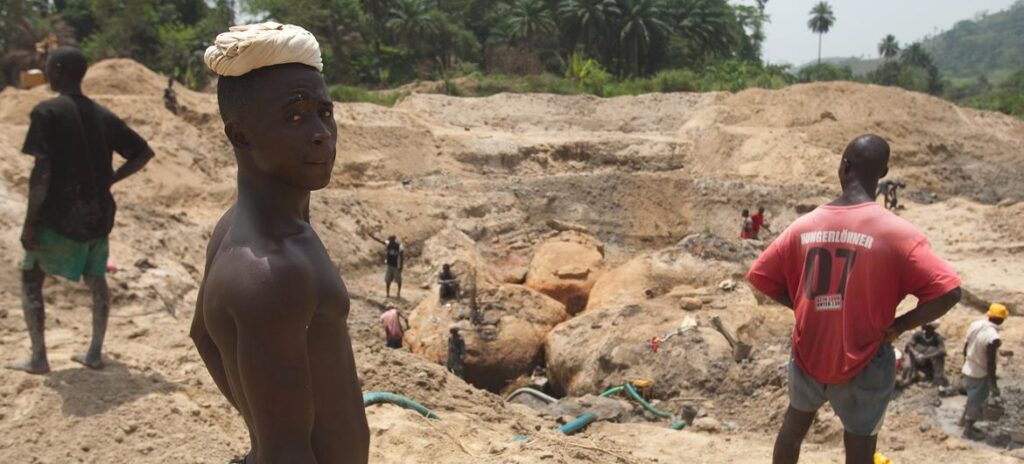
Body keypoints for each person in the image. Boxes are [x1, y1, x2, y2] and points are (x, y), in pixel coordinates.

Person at [189, 23, 369, 464]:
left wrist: (265, 420)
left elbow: (203, 337)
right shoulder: (274, 270)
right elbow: (286, 453)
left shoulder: (235, 228)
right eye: (294, 115)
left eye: (324, 113)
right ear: (240, 136)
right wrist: (274, 437)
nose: (320, 133)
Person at [746, 134, 961, 464]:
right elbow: (949, 291)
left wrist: (803, 305)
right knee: (860, 448)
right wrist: (901, 325)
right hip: (865, 355)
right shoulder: (897, 233)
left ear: (843, 166)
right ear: (884, 171)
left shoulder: (803, 226)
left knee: (792, 430)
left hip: (810, 350)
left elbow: (760, 276)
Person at [8, 47, 154, 374]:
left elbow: (41, 175)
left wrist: (30, 224)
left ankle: (38, 357)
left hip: (58, 216)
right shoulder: (102, 114)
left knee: (31, 279)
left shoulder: (47, 112)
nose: (46, 73)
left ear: (58, 69)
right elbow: (143, 153)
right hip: (98, 216)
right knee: (96, 278)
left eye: (48, 67)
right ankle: (94, 353)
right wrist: (110, 181)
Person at [960, 303, 1008, 440]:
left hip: (968, 366)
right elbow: (990, 363)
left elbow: (966, 346)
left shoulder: (976, 325)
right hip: (980, 372)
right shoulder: (993, 338)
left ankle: (962, 422)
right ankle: (967, 430)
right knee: (977, 401)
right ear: (1002, 319)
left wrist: (964, 363)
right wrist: (993, 386)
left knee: (971, 396)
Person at [899, 322, 948, 387]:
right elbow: (909, 345)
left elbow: (943, 351)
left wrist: (925, 356)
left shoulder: (937, 337)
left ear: (932, 328)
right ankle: (908, 377)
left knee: (936, 353)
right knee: (910, 354)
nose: (922, 325)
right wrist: (916, 353)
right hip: (916, 360)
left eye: (925, 325)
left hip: (928, 362)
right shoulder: (918, 335)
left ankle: (937, 379)